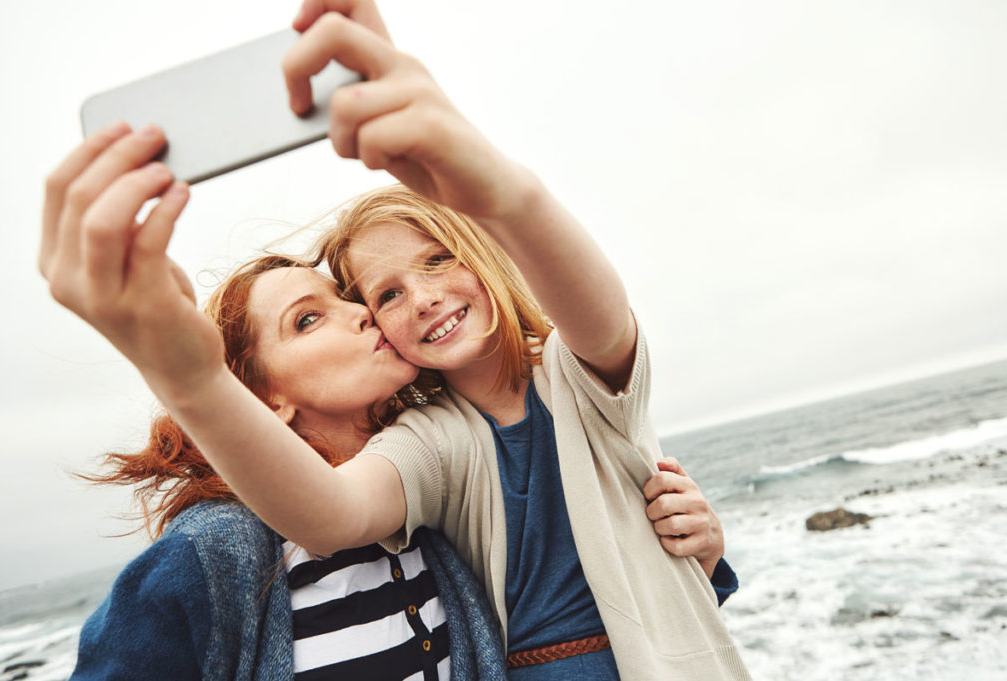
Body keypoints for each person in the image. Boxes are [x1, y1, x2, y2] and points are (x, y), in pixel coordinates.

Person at [39, 1, 747, 680]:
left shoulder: (576, 375)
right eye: (385, 295)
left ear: (479, 250)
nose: (424, 296)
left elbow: (599, 312)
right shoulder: (430, 438)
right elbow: (330, 514)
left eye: (438, 259)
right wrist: (191, 378)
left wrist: (497, 189)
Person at [59, 255, 507, 681]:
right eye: (307, 320)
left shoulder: (426, 496)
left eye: (343, 296)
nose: (361, 312)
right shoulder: (213, 548)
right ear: (266, 402)